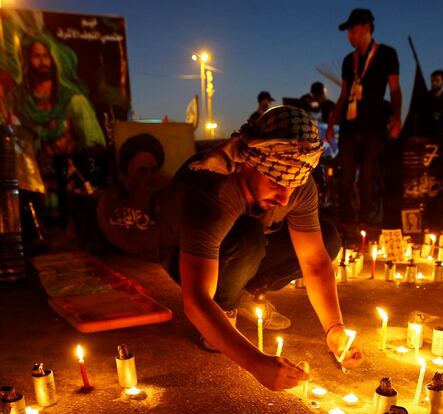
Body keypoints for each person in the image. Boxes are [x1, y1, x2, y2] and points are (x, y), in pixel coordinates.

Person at [157, 106, 363, 391]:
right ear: (250, 163)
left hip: (248, 249)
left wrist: (334, 329)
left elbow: (315, 263)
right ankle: (224, 312)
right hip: (185, 256)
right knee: (247, 237)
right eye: (277, 182)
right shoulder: (211, 191)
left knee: (327, 239)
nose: (284, 196)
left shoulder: (296, 186)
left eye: (295, 183)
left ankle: (244, 294)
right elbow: (196, 300)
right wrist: (257, 363)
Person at [326, 8, 402, 224]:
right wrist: (332, 124)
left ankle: (364, 223)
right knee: (345, 177)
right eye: (348, 31)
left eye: (352, 30)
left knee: (368, 176)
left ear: (366, 28)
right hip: (350, 125)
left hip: (374, 124)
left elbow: (395, 89)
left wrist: (396, 117)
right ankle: (346, 222)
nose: (349, 35)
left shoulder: (387, 53)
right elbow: (343, 95)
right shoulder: (348, 60)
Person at [9, 35, 106, 169]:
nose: (43, 62)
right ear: (27, 60)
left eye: (46, 56)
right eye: (36, 56)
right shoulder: (20, 101)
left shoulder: (74, 101)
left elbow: (95, 147)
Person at [428, 70, 443, 137]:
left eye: (437, 80)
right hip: (423, 137)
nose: (434, 83)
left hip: (438, 138)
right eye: (432, 80)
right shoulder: (424, 98)